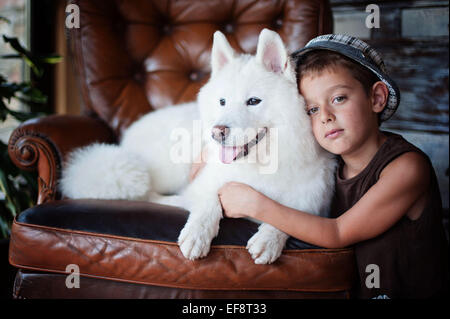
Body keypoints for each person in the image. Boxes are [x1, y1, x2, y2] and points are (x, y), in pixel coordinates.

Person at [191, 34, 449, 298]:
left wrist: (257, 205)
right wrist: (214, 151)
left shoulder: (406, 167)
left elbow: (337, 233)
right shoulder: (329, 162)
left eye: (338, 99)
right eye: (312, 109)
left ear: (377, 98)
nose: (325, 116)